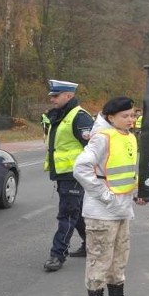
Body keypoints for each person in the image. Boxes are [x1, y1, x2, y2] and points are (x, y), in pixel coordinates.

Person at [73, 96, 147, 296]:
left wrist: (137, 193)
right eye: (124, 116)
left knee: (119, 256)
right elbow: (80, 168)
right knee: (100, 258)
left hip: (122, 209)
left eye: (132, 115)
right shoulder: (102, 138)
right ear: (110, 117)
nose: (130, 119)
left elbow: (128, 171)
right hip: (101, 212)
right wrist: (105, 196)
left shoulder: (129, 137)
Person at [43, 79, 94, 271]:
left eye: (55, 96)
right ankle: (90, 245)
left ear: (68, 95)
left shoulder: (79, 117)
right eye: (51, 96)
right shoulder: (60, 115)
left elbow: (91, 148)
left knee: (67, 214)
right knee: (77, 213)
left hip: (74, 175)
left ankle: (57, 254)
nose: (52, 100)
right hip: (64, 173)